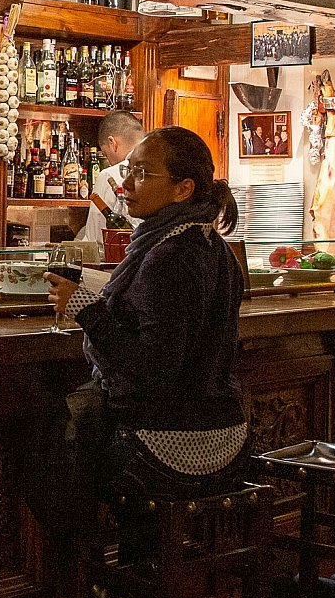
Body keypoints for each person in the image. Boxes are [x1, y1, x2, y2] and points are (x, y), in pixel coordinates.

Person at [49, 127, 249, 500]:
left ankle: (94, 558)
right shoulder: (218, 250)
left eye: (141, 173)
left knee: (44, 452)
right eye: (129, 169)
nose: (125, 182)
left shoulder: (166, 257)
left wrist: (83, 308)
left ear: (182, 189)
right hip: (227, 433)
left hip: (165, 444)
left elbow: (151, 373)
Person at [77, 110, 142, 244]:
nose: (109, 161)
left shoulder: (109, 175)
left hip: (119, 260)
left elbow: (94, 238)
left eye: (106, 155)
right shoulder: (159, 170)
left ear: (112, 142)